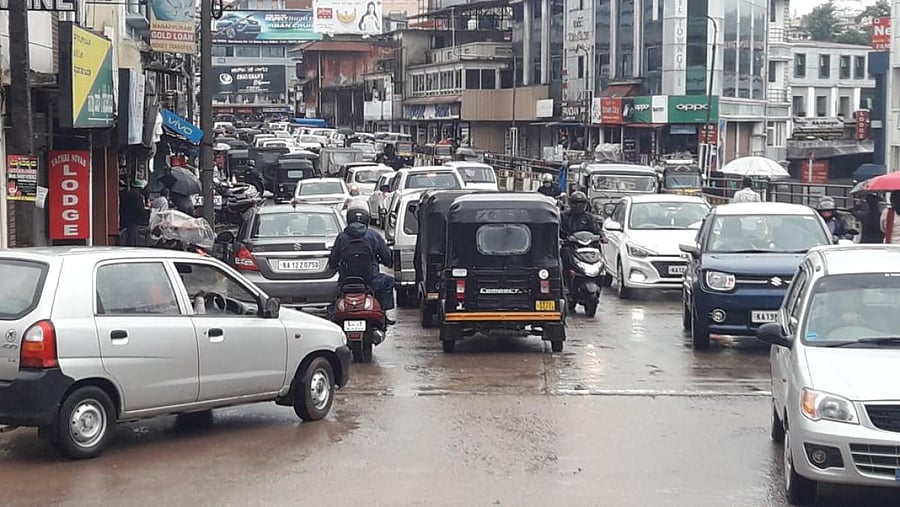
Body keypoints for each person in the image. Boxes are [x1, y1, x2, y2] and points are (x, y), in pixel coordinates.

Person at [328, 206, 397, 324]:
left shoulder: (341, 237)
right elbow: (387, 258)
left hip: (346, 281)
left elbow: (333, 262)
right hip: (371, 281)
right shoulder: (373, 236)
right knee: (389, 282)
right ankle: (383, 314)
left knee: (333, 299)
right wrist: (387, 261)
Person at [121, 180, 149, 246]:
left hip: (126, 218)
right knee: (132, 237)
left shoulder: (127, 194)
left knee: (129, 236)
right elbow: (140, 209)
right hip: (134, 220)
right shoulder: (137, 196)